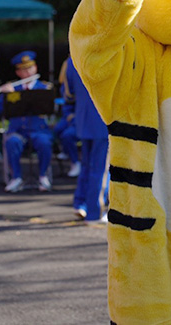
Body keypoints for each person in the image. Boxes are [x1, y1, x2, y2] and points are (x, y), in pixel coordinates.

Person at [0, 51, 54, 193]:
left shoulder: (44, 88)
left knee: (44, 142)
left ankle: (43, 176)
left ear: (35, 68)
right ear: (18, 73)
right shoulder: (13, 88)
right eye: (23, 70)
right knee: (11, 142)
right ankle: (16, 178)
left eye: (30, 68)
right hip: (18, 130)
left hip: (39, 129)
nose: (28, 73)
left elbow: (51, 109)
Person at [64, 55, 109, 222]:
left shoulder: (73, 58)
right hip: (103, 119)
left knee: (87, 166)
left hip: (83, 119)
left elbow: (68, 94)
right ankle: (95, 211)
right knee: (100, 169)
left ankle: (80, 204)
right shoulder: (107, 52)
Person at [54, 57, 81, 178]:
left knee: (68, 135)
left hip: (83, 119)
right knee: (57, 129)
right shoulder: (69, 64)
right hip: (72, 114)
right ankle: (67, 152)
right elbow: (67, 99)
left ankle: (75, 162)